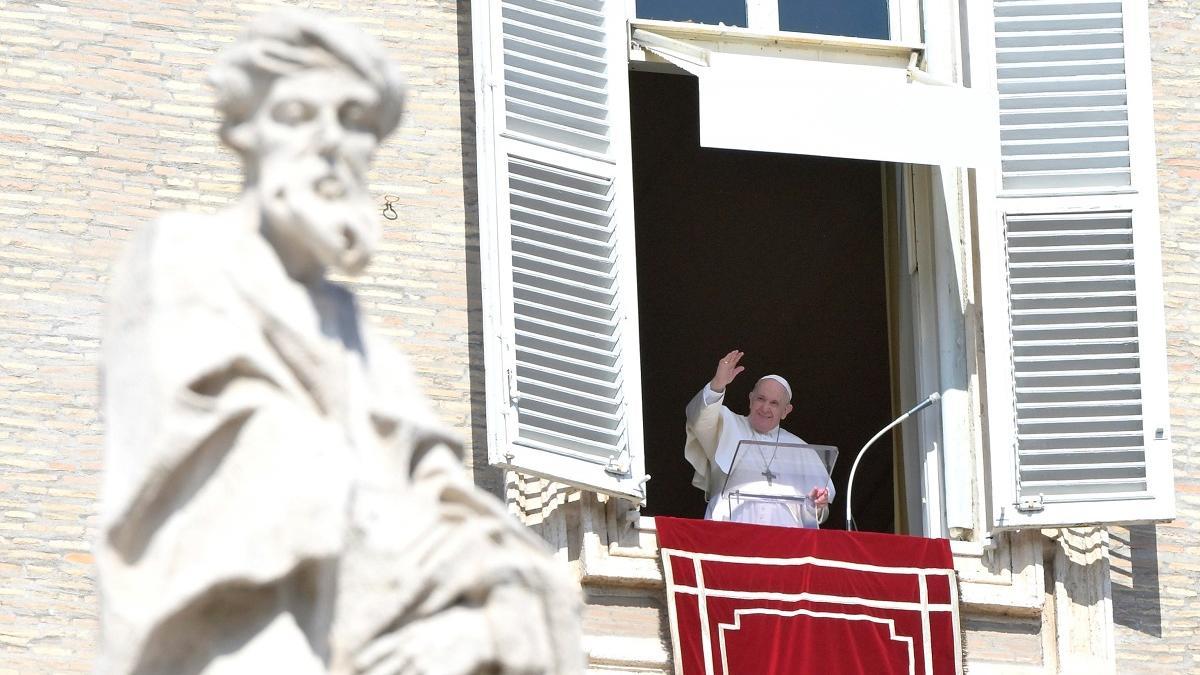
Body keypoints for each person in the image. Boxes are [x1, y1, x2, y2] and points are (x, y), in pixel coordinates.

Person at [96, 11, 580, 675]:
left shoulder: (355, 332)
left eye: (352, 121)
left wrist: (502, 570)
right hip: (247, 632)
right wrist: (395, 530)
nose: (328, 142)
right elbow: (219, 463)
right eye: (298, 114)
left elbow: (437, 490)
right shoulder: (182, 257)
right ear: (245, 130)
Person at [684, 350, 835, 527]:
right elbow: (698, 418)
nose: (765, 408)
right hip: (731, 528)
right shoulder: (726, 424)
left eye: (774, 403)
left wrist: (816, 505)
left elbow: (816, 514)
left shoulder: (800, 448)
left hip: (784, 538)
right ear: (750, 399)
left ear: (786, 411)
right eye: (760, 399)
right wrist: (718, 383)